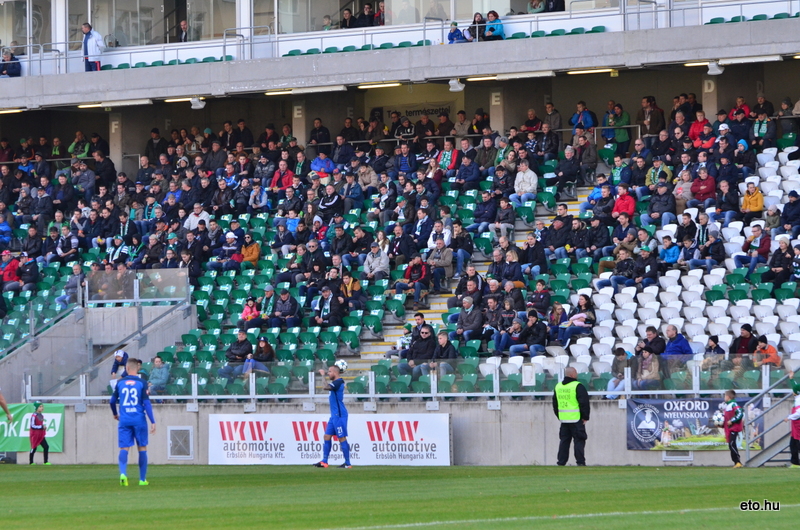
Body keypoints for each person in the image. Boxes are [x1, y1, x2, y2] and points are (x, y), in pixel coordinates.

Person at [109, 358, 156, 486]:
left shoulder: (120, 383)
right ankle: (142, 479)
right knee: (142, 447)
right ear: (138, 368)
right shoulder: (142, 383)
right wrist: (152, 421)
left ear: (127, 368)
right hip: (139, 419)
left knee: (124, 448)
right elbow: (146, 403)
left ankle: (123, 473)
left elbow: (112, 401)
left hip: (124, 419)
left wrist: (115, 414)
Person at [313, 363, 351, 469]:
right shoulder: (335, 382)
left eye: (329, 372)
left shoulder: (339, 382)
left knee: (341, 437)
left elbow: (325, 387)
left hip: (339, 415)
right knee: (326, 436)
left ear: (335, 372)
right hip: (334, 415)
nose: (328, 373)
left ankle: (348, 463)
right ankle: (324, 461)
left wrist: (322, 375)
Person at [553, 366, 590, 466]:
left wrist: (560, 416)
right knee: (579, 440)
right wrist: (585, 417)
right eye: (576, 373)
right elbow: (584, 403)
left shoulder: (558, 386)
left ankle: (561, 462)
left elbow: (555, 404)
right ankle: (580, 462)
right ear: (572, 374)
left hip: (564, 420)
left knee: (564, 441)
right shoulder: (578, 386)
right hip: (576, 419)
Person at [723, 389, 744, 468]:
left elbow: (740, 413)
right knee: (731, 444)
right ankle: (736, 462)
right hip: (729, 428)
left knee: (732, 444)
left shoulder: (733, 404)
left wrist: (732, 421)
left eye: (725, 396)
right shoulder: (728, 405)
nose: (724, 397)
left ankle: (738, 462)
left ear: (728, 397)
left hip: (734, 428)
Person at [784, 381, 800, 468]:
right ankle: (795, 463)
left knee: (797, 444)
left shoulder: (798, 401)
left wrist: (789, 417)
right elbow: (796, 386)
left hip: (798, 425)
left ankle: (796, 462)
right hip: (795, 426)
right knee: (793, 444)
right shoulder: (797, 398)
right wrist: (791, 379)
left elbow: (798, 413)